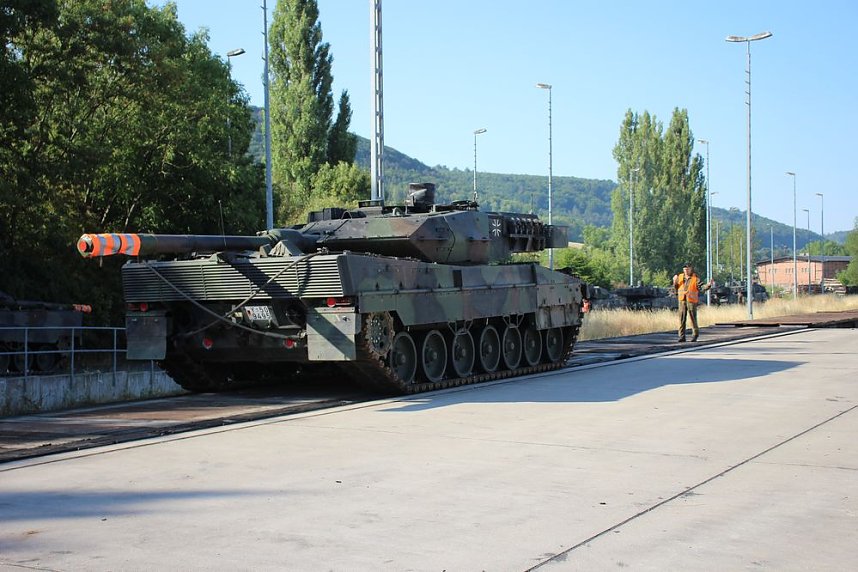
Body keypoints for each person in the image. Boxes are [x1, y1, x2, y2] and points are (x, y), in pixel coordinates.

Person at [673, 262, 713, 342]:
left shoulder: (695, 279)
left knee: (693, 318)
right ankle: (681, 336)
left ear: (691, 269)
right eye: (685, 269)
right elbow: (676, 288)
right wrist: (674, 282)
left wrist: (708, 285)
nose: (686, 270)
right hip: (682, 300)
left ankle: (695, 335)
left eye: (688, 269)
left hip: (691, 301)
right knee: (681, 319)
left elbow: (701, 287)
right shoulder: (679, 277)